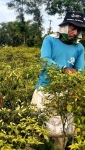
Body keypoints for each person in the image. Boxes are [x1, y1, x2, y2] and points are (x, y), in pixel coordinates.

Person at [31, 11, 85, 149]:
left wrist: (75, 85)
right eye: (72, 28)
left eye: (78, 29)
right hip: (44, 89)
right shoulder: (50, 40)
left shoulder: (79, 47)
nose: (75, 32)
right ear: (64, 27)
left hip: (65, 93)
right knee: (35, 127)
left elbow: (80, 70)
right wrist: (64, 69)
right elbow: (45, 60)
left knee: (62, 132)